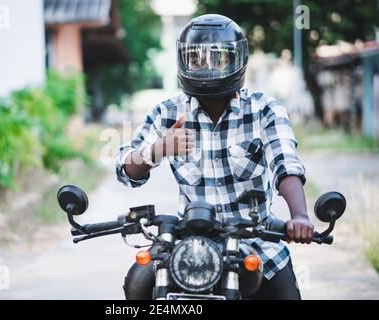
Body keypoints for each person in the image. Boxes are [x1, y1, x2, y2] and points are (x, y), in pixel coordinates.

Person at [115, 14, 313, 300]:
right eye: (195, 58)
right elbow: (125, 169)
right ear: (183, 61)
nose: (205, 66)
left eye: (218, 58)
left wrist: (300, 217)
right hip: (189, 245)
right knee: (138, 287)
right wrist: (158, 149)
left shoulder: (264, 110)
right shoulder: (167, 113)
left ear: (237, 60)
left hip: (256, 242)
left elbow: (285, 163)